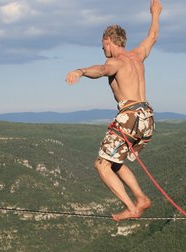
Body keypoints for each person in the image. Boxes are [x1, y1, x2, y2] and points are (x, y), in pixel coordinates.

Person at [65, 0, 163, 221]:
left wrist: (80, 71)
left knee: (101, 165)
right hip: (147, 118)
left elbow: (101, 70)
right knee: (115, 162)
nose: (102, 50)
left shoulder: (115, 62)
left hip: (129, 117)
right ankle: (140, 198)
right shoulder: (138, 55)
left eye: (103, 46)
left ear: (108, 41)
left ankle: (132, 207)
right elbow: (153, 36)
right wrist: (155, 13)